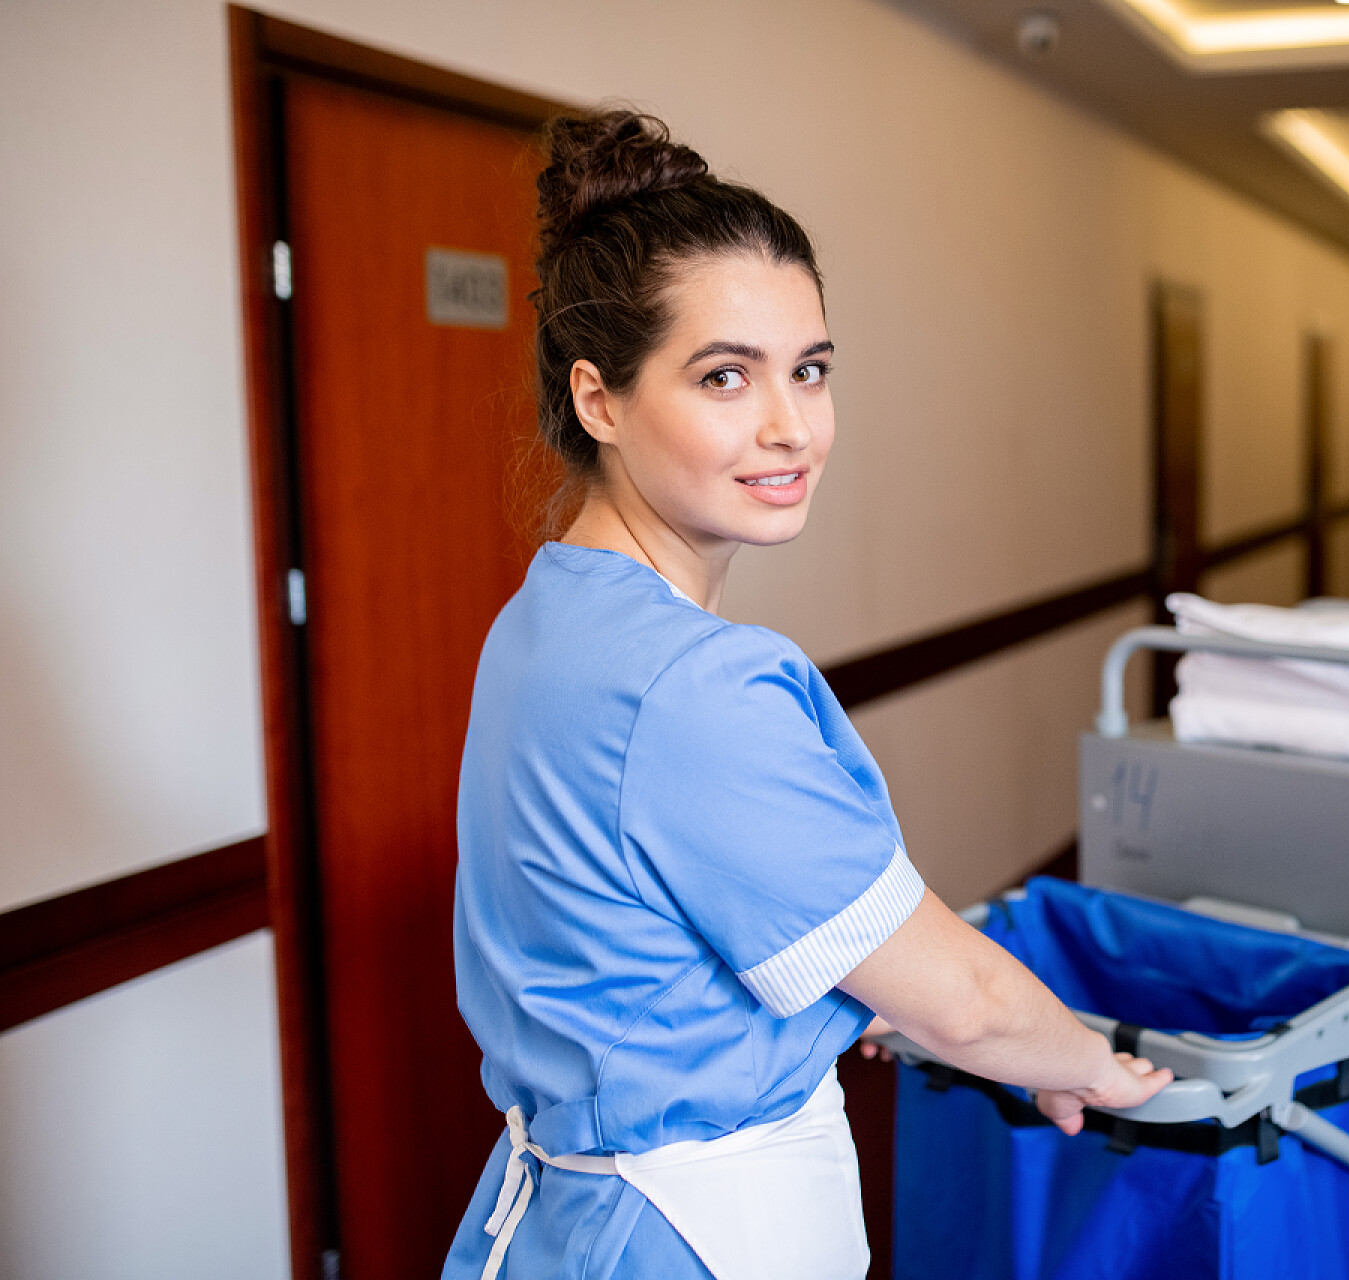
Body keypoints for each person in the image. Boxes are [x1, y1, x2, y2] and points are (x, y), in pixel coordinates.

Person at [441, 109, 1170, 1280]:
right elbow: (970, 1003)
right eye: (725, 375)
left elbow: (644, 933)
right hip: (689, 1228)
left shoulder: (545, 620)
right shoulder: (694, 685)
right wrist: (1088, 1061)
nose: (792, 427)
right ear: (600, 399)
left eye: (810, 370)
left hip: (566, 1216)